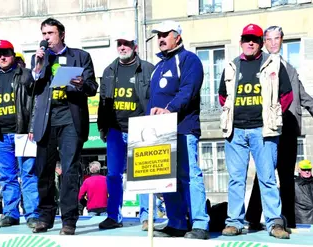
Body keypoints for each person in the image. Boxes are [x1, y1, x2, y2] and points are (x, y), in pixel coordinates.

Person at [219, 24, 293, 239]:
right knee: (236, 179)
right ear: (241, 42)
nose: (250, 42)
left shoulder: (273, 64)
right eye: (246, 39)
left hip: (264, 131)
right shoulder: (232, 66)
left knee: (268, 178)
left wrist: (272, 116)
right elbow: (223, 96)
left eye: (254, 39)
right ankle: (234, 222)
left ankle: (274, 223)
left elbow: (286, 95)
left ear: (261, 43)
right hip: (236, 132)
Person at [30, 18, 98, 235]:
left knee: (69, 171)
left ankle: (69, 219)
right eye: (43, 34)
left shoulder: (80, 56)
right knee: (44, 171)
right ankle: (45, 217)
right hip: (46, 121)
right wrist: (39, 64)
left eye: (50, 33)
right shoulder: (40, 58)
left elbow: (92, 87)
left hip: (70, 119)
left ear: (61, 34)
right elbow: (32, 86)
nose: (46, 38)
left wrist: (80, 84)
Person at [246, 26, 313, 230]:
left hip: (289, 128)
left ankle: (288, 221)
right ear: (264, 42)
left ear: (282, 40)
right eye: (269, 39)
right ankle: (252, 219)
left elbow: (302, 96)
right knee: (264, 174)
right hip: (268, 128)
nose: (273, 43)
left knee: (286, 175)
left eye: (277, 39)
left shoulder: (289, 67)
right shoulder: (259, 64)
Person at [147, 20, 210, 240]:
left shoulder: (189, 60)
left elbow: (188, 91)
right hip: (161, 131)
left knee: (189, 175)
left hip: (183, 128)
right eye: (159, 35)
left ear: (178, 37)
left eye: (166, 34)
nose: (161, 38)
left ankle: (200, 223)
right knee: (166, 177)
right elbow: (151, 99)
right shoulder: (159, 66)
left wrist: (169, 110)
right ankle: (176, 222)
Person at [0, 39, 39, 227]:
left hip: (24, 134)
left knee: (28, 174)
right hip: (0, 137)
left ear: (12, 54)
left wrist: (33, 128)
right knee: (7, 176)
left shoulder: (26, 75)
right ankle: (10, 214)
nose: (2, 57)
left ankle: (32, 214)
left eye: (5, 53)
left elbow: (37, 103)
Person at [97, 32, 155, 231]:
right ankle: (113, 216)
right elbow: (103, 102)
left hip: (140, 129)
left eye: (127, 44)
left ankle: (148, 217)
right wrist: (102, 127)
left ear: (135, 47)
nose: (122, 47)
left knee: (144, 175)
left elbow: (154, 98)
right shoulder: (108, 71)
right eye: (119, 44)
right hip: (114, 129)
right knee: (113, 175)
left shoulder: (148, 69)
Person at [294, 160, 313, 224]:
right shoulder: (294, 184)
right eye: (304, 169)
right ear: (299, 170)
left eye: (309, 169)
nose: (307, 171)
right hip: (302, 221)